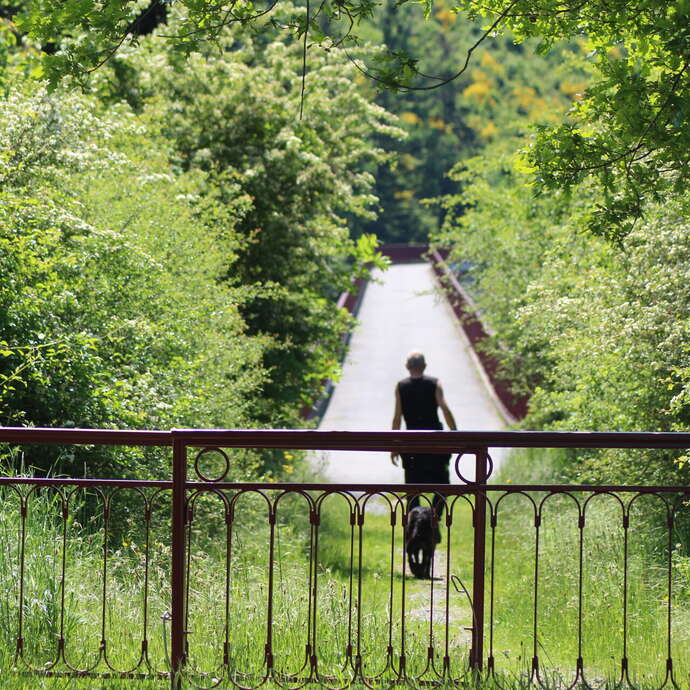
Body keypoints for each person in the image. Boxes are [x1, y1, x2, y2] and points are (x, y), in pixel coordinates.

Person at [391, 351, 457, 517]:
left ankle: (414, 522)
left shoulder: (401, 386)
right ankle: (435, 518)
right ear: (425, 366)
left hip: (411, 442)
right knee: (443, 485)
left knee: (412, 489)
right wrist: (455, 434)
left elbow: (397, 417)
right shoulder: (435, 384)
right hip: (435, 442)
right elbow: (445, 409)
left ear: (407, 367)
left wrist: (394, 445)